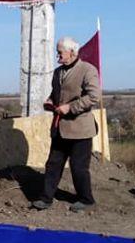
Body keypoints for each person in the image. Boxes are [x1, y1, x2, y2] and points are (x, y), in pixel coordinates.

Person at [32, 36, 100, 213]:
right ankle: (45, 198)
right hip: (59, 128)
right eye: (57, 52)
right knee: (53, 164)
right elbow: (56, 94)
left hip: (81, 131)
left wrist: (70, 108)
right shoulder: (57, 72)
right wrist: (50, 101)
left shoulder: (88, 70)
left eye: (60, 52)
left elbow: (93, 97)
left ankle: (86, 199)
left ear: (72, 52)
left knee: (78, 168)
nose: (57, 56)